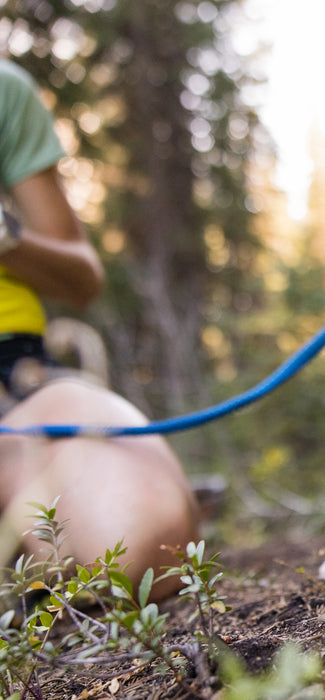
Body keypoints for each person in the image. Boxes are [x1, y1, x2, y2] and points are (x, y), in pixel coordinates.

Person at [0, 58, 200, 600]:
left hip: (14, 383)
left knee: (147, 544)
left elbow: (81, 276)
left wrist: (7, 237)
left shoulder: (5, 90)